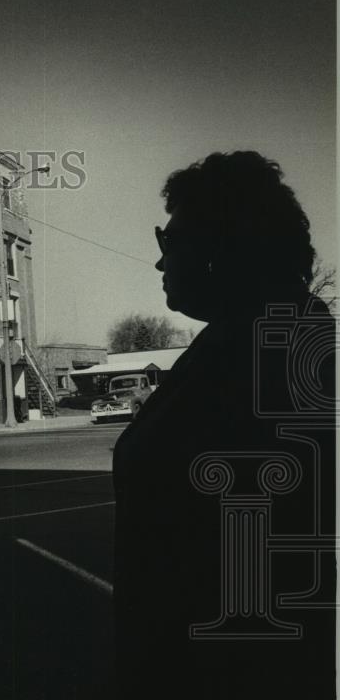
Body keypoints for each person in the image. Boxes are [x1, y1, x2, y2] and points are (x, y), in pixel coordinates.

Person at [111, 152, 336, 699]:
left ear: (225, 246)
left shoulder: (272, 347)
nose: (162, 263)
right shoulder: (237, 337)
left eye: (173, 242)